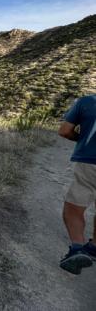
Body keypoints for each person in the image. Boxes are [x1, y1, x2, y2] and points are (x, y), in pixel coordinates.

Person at [58, 94, 96, 274]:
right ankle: (94, 246)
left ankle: (77, 249)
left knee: (74, 208)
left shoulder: (87, 102)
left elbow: (65, 130)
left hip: (89, 161)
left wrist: (80, 138)